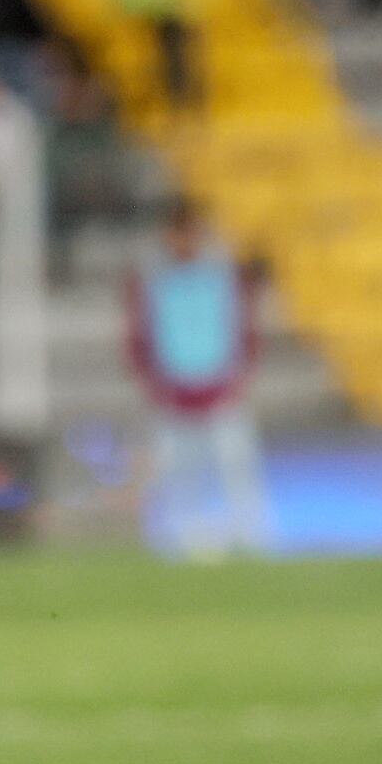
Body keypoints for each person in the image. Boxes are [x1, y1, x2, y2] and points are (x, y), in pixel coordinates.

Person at [126, 200, 270, 559]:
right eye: (177, 232)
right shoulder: (152, 280)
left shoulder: (222, 276)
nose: (183, 240)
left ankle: (251, 537)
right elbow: (140, 338)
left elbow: (244, 330)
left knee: (236, 466)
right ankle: (179, 540)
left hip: (221, 390)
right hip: (174, 395)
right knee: (177, 472)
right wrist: (154, 385)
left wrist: (239, 378)